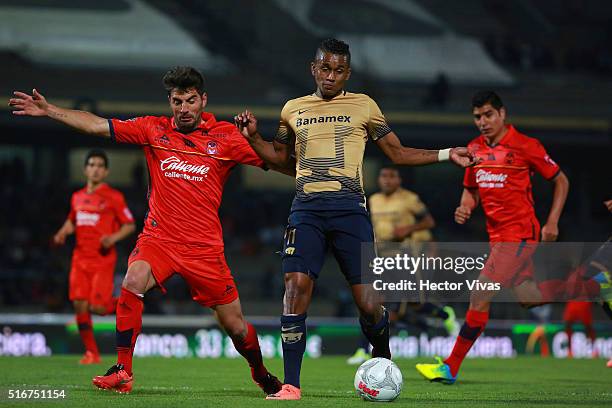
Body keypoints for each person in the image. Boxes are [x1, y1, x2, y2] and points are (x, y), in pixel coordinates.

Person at [9, 66, 287, 395]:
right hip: (160, 240)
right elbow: (98, 125)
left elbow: (281, 162)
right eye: (177, 101)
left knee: (236, 327)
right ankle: (123, 369)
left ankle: (259, 371)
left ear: (204, 100)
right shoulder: (151, 129)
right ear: (169, 102)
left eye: (191, 100)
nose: (184, 108)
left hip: (204, 249)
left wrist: (255, 138)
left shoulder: (226, 137)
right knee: (132, 279)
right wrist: (49, 110)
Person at [234, 38, 477, 400]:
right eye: (325, 68)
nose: (331, 76)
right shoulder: (292, 109)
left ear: (347, 73)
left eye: (339, 70)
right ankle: (291, 384)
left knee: (368, 303)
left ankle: (383, 359)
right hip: (306, 209)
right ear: (313, 68)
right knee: (294, 287)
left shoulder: (364, 106)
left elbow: (397, 152)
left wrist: (445, 154)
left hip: (350, 211)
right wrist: (254, 137)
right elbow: (284, 161)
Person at [415, 91, 608, 384]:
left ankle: (450, 367)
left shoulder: (526, 146)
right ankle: (599, 287)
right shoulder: (473, 149)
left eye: (488, 115)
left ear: (502, 114)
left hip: (519, 235)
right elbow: (471, 189)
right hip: (498, 237)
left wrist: (552, 221)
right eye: (477, 116)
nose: (483, 122)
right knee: (530, 298)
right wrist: (465, 207)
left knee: (479, 295)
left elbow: (561, 180)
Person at [347, 165, 458, 365]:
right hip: (380, 259)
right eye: (383, 175)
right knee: (370, 302)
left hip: (404, 258)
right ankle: (362, 350)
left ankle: (444, 314)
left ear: (399, 180)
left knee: (414, 304)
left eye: (391, 176)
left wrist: (409, 228)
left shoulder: (409, 199)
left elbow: (429, 222)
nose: (387, 180)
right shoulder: (374, 200)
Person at [52, 149, 135, 364]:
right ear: (85, 169)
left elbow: (129, 224)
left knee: (98, 308)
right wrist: (63, 231)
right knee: (79, 304)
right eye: (92, 165)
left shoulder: (114, 197)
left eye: (100, 165)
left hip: (102, 259)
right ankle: (92, 353)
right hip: (80, 258)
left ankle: (128, 304)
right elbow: (73, 220)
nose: (95, 169)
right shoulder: (77, 197)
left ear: (106, 171)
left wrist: (113, 238)